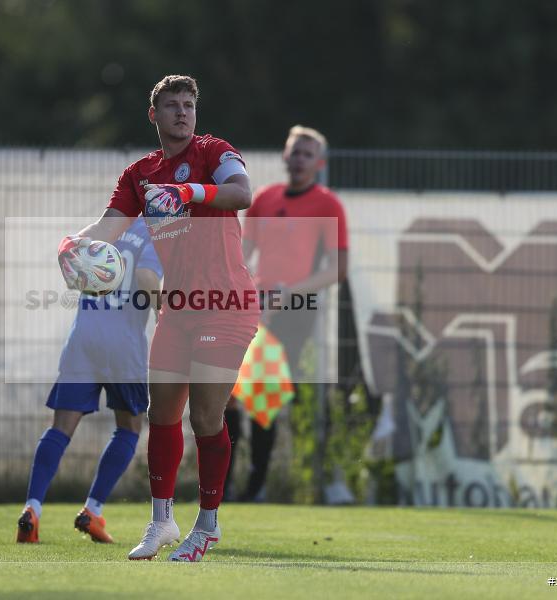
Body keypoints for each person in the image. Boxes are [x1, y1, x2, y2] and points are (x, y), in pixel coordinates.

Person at [56, 75, 258, 562]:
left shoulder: (214, 151)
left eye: (189, 105)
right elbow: (108, 228)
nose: (183, 113)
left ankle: (207, 526)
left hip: (226, 304)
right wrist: (72, 245)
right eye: (172, 106)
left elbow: (242, 192)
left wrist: (192, 193)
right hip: (178, 307)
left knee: (205, 417)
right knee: (161, 415)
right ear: (154, 115)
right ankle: (162, 521)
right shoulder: (139, 174)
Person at [17, 217, 163, 544]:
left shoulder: (109, 224)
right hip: (123, 345)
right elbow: (145, 275)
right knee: (129, 428)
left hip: (83, 336)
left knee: (60, 428)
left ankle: (32, 509)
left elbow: (67, 249)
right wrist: (163, 308)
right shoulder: (157, 231)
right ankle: (92, 510)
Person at [226, 125, 349, 502]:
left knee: (263, 394)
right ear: (284, 156)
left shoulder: (328, 205)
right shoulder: (264, 198)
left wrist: (290, 292)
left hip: (296, 310)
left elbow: (338, 268)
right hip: (255, 305)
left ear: (319, 163)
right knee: (227, 394)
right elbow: (242, 254)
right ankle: (223, 482)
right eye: (294, 152)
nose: (299, 160)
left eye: (307, 154)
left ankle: (255, 486)